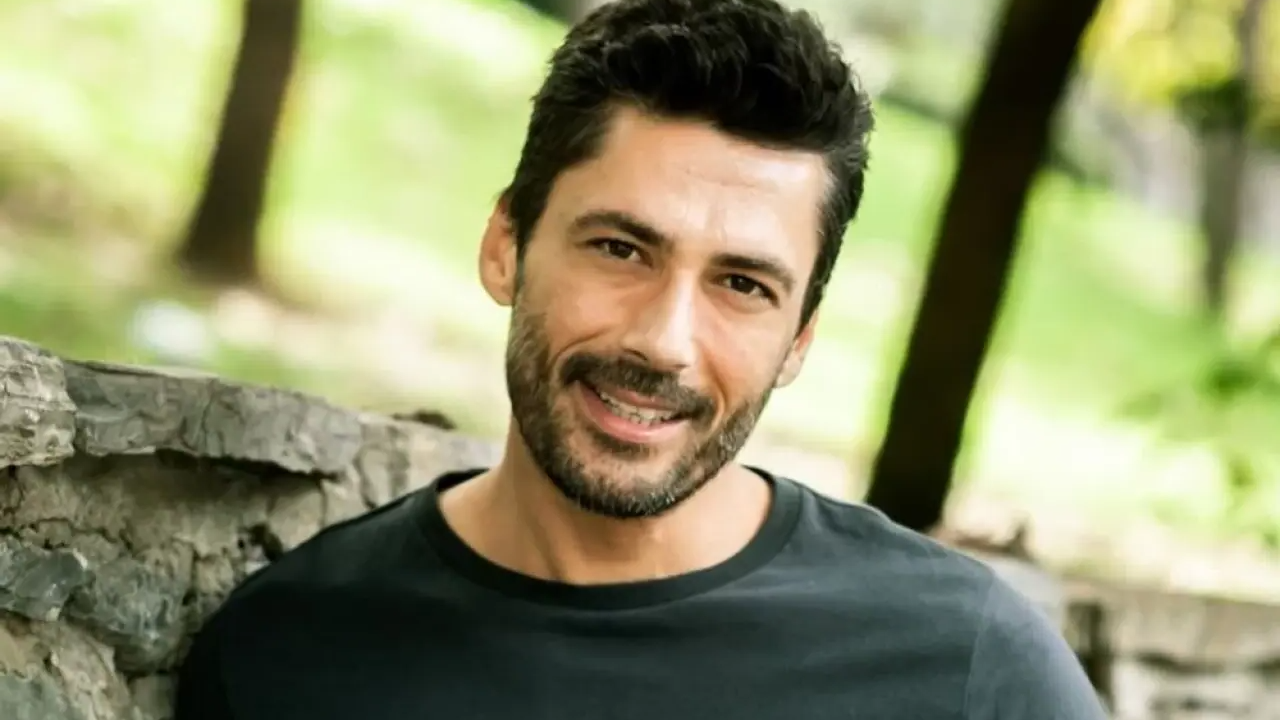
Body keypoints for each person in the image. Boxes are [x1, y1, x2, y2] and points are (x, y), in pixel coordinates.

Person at [174, 0, 1108, 718]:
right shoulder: (288, 655)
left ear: (800, 338)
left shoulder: (966, 671)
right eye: (621, 248)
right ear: (506, 246)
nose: (663, 341)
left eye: (742, 284)